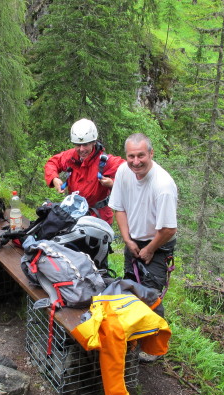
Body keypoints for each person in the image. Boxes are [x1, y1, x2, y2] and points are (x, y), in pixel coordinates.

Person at [108, 133, 177, 361]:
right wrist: (127, 240)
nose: (136, 161)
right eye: (131, 156)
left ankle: (154, 347)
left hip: (159, 242)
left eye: (141, 155)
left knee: (150, 295)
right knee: (131, 288)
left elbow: (168, 229)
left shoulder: (163, 185)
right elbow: (119, 208)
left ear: (151, 154)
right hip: (134, 238)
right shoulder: (122, 172)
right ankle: (135, 334)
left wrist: (149, 250)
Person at [44, 119, 125, 225]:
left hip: (98, 217)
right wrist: (54, 178)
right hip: (74, 214)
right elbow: (52, 163)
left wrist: (113, 183)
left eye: (85, 144)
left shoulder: (105, 161)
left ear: (93, 142)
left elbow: (129, 173)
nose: (81, 149)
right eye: (78, 145)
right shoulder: (71, 157)